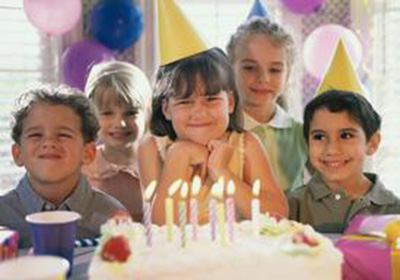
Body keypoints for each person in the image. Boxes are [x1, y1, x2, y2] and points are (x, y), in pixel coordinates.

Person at [139, 47, 288, 225]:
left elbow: (277, 215)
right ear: (166, 109)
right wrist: (178, 156)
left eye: (211, 99)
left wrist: (222, 172)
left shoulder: (245, 145)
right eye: (185, 101)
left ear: (230, 103)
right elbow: (161, 228)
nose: (199, 112)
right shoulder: (152, 148)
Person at [0, 85, 126, 248]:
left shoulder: (112, 216)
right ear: (18, 154)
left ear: (88, 153)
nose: (49, 143)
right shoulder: (2, 216)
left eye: (63, 135)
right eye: (36, 135)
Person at [289, 90, 400, 233]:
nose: (332, 150)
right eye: (319, 137)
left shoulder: (394, 211)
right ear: (307, 144)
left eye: (346, 135)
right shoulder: (292, 206)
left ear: (372, 143)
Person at [226, 17, 308, 193]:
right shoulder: (219, 131)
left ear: (288, 74)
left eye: (275, 70)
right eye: (249, 68)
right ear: (229, 68)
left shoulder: (303, 135)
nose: (263, 78)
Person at [83, 61, 152, 222]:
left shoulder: (157, 164)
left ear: (147, 114)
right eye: (107, 113)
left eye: (131, 112)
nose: (120, 123)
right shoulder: (83, 168)